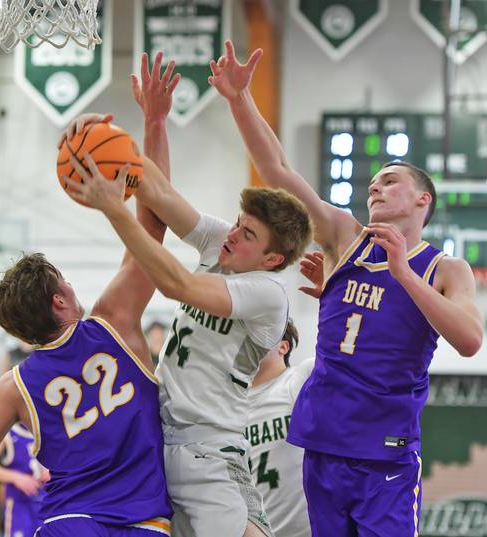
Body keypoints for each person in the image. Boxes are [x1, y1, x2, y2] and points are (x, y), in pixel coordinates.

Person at [209, 41, 483, 535]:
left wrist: (403, 275)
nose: (375, 187)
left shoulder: (444, 268)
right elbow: (278, 172)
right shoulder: (345, 238)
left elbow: (469, 341)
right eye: (372, 183)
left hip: (387, 451)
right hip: (325, 439)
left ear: (423, 199)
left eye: (390, 180)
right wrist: (238, 99)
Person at [63, 52, 312, 537]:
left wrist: (115, 211)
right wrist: (124, 136)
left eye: (248, 235)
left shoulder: (266, 294)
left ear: (272, 260)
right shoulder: (226, 245)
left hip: (210, 453)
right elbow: (158, 197)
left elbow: (177, 284)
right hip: (161, 440)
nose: (233, 236)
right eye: (238, 224)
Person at [0, 121, 174, 535]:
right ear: (59, 300)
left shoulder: (14, 386)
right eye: (65, 280)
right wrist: (154, 121)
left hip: (68, 523)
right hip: (142, 523)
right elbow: (154, 224)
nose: (72, 285)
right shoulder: (114, 322)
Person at [246, 320, 312, 537]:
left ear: (283, 347)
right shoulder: (229, 405)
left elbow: (339, 355)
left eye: (261, 334)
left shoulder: (296, 380)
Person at [0, 423, 49, 537]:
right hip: (20, 505)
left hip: (48, 504)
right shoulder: (8, 433)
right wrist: (16, 477)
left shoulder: (50, 429)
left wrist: (54, 471)